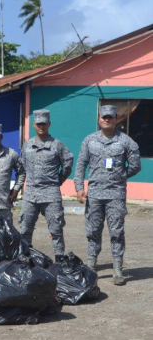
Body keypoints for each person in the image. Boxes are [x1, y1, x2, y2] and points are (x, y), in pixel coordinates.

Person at [74, 105, 141, 286]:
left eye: (110, 117)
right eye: (104, 117)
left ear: (115, 119)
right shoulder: (89, 141)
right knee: (93, 231)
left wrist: (121, 176)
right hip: (95, 193)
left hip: (116, 194)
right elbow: (81, 164)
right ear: (99, 119)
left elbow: (135, 165)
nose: (107, 120)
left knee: (116, 232)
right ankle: (91, 264)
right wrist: (79, 186)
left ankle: (118, 269)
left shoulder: (126, 141)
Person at [19, 109, 74, 262]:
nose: (41, 126)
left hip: (51, 193)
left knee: (56, 229)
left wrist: (57, 181)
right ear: (34, 125)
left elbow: (68, 164)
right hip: (31, 193)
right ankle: (25, 259)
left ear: (49, 124)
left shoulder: (57, 145)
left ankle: (59, 260)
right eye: (38, 124)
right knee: (25, 228)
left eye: (44, 123)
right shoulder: (27, 145)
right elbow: (22, 166)